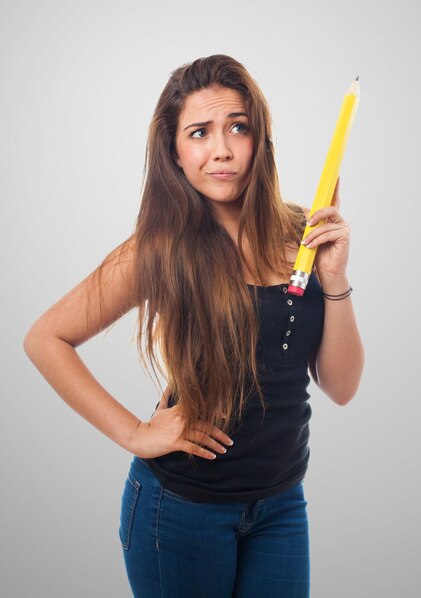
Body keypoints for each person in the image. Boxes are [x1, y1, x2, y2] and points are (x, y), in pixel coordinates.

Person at [23, 54, 364, 598]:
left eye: (238, 127)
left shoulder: (304, 232)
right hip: (179, 512)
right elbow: (45, 338)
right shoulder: (158, 252)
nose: (222, 149)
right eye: (200, 132)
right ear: (175, 153)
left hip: (280, 506)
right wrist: (135, 433)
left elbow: (341, 388)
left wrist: (336, 277)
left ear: (261, 140)